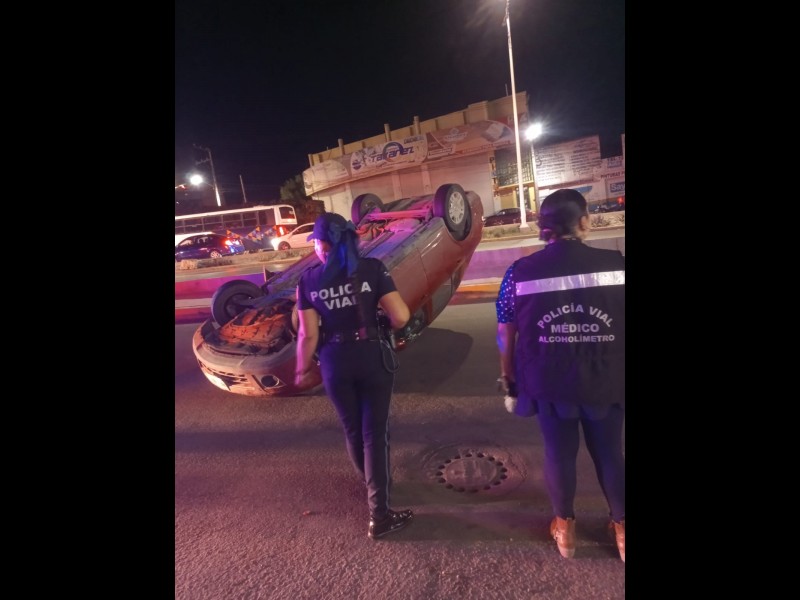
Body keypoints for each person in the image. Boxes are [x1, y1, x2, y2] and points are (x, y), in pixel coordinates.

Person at [495, 188, 625, 562]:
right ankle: (622, 530)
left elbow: (505, 331)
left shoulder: (519, 272)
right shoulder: (617, 264)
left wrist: (508, 377)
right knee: (610, 452)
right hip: (606, 379)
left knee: (559, 453)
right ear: (583, 221)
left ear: (544, 228)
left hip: (549, 383)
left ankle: (565, 531)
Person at [294, 212, 414, 539]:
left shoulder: (309, 280)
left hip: (334, 361)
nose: (316, 247)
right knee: (375, 434)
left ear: (324, 245)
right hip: (371, 356)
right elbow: (401, 316)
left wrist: (301, 369)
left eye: (317, 242)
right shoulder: (372, 269)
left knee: (353, 431)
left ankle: (373, 484)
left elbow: (307, 334)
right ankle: (380, 514)